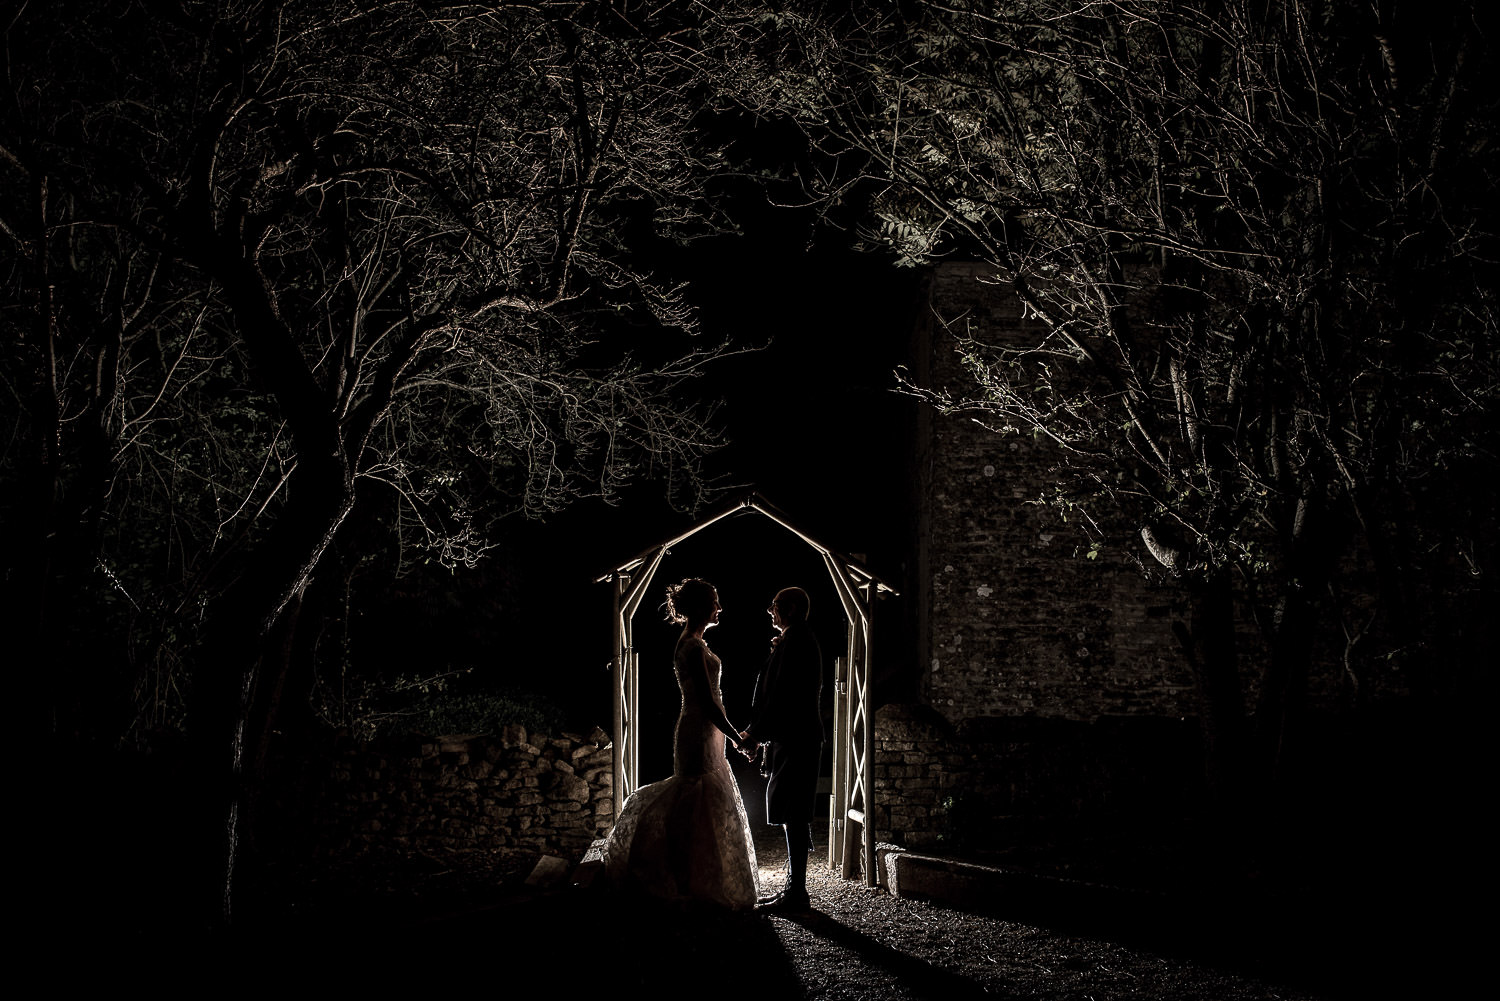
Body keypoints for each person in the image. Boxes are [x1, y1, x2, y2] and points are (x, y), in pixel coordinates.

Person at [602, 578, 759, 909]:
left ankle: (700, 875)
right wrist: (737, 737)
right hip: (699, 730)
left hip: (708, 729)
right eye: (715, 601)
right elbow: (706, 701)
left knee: (704, 801)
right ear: (702, 606)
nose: (720, 607)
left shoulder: (697, 643)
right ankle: (681, 876)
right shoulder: (689, 646)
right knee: (692, 799)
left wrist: (727, 734)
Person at [739, 586, 824, 912]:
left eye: (774, 605)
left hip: (797, 738)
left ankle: (796, 892)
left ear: (788, 609)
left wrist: (755, 734)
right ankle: (794, 887)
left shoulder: (798, 642)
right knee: (792, 811)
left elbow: (782, 697)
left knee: (795, 811)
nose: (770, 611)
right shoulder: (793, 640)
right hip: (793, 737)